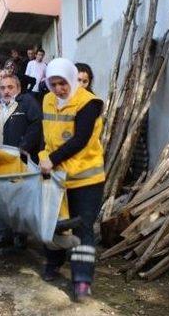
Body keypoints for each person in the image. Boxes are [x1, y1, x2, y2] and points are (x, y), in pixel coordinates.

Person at [38, 58, 105, 303]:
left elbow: (80, 140)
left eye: (63, 83)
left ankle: (82, 281)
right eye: (53, 84)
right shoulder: (47, 100)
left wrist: (52, 159)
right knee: (52, 223)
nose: (58, 89)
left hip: (86, 179)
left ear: (71, 78)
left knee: (82, 228)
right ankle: (53, 263)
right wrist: (38, 156)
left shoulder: (89, 103)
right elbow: (42, 133)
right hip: (56, 175)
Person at [0, 73, 42, 249]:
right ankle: (4, 235)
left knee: (20, 198)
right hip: (0, 161)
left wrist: (24, 147)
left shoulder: (27, 103)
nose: (6, 91)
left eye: (10, 87)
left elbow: (37, 125)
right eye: (2, 87)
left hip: (20, 160)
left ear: (18, 88)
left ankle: (21, 236)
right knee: (2, 199)